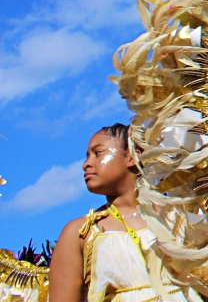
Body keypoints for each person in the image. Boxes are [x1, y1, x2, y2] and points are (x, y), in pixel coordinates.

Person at [47, 124, 198, 302]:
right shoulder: (80, 233)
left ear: (132, 157)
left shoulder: (180, 218)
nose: (86, 164)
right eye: (87, 156)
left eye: (98, 153)